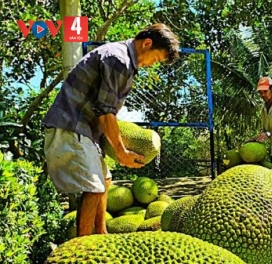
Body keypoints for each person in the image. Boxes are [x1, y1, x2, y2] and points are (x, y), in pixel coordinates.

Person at [43, 23, 179, 237]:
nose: (151, 64)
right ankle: (84, 248)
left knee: (105, 181)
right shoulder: (119, 59)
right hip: (72, 124)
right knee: (95, 187)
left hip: (86, 129)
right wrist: (122, 153)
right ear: (147, 43)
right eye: (154, 59)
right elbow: (106, 112)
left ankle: (101, 234)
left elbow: (105, 110)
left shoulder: (121, 58)